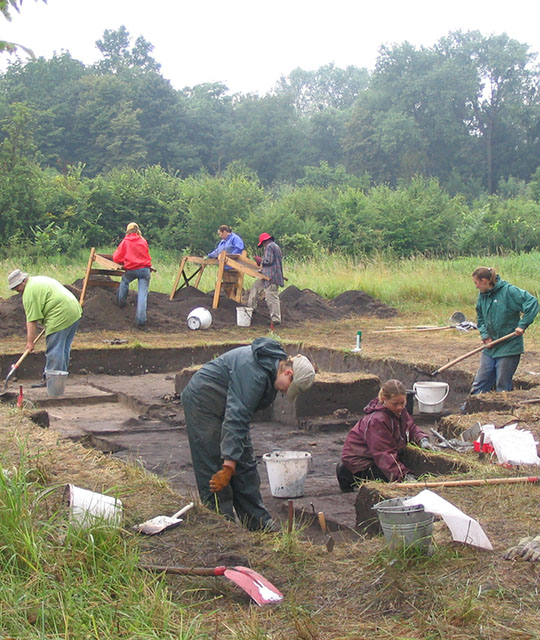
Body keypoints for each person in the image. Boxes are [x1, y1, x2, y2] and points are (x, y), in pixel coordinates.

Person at [181, 338, 315, 531]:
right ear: (288, 372)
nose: (285, 392)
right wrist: (228, 465)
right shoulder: (254, 374)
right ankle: (221, 526)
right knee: (214, 468)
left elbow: (238, 419)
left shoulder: (272, 366)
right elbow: (236, 417)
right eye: (288, 387)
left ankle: (258, 522)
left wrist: (234, 459)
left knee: (245, 466)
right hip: (203, 403)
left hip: (228, 405)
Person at [336, 379, 436, 491]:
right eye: (395, 404)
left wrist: (422, 439)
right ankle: (347, 474)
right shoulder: (377, 420)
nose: (400, 407)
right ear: (384, 400)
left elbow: (411, 427)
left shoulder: (400, 412)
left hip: (378, 457)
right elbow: (383, 454)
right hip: (362, 462)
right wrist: (404, 476)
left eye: (402, 403)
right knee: (392, 482)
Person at [469, 266, 538, 395]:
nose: (476, 286)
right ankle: (469, 410)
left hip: (509, 346)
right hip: (490, 347)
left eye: (476, 283)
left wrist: (522, 325)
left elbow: (532, 302)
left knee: (502, 384)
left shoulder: (509, 292)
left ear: (484, 281)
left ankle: (502, 412)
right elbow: (480, 317)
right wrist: (485, 335)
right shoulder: (482, 296)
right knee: (480, 382)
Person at [7, 269, 82, 376]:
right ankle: (59, 379)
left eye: (16, 286)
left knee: (55, 350)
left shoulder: (29, 293)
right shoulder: (37, 280)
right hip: (73, 311)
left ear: (23, 281)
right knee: (63, 349)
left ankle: (51, 380)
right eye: (13, 288)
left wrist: (30, 342)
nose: (16, 290)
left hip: (60, 315)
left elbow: (32, 321)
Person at [113, 222, 152, 328]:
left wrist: (124, 260)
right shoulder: (143, 241)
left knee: (125, 281)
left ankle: (121, 301)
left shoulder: (126, 241)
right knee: (142, 295)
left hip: (131, 270)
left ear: (128, 231)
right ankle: (141, 321)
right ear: (137, 230)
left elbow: (116, 258)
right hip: (145, 270)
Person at [247, 232, 284, 330]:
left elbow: (269, 261)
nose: (263, 246)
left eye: (262, 244)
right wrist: (261, 270)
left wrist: (260, 260)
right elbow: (272, 264)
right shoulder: (275, 247)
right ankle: (250, 309)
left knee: (271, 296)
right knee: (255, 287)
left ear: (265, 242)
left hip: (271, 277)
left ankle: (276, 319)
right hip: (267, 275)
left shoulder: (269, 247)